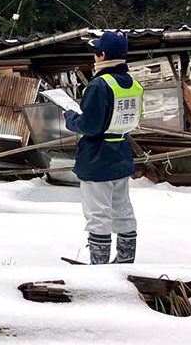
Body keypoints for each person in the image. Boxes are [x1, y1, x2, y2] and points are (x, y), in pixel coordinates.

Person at [63, 31, 143, 265]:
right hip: (121, 152)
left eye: (96, 52)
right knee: (122, 209)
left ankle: (99, 270)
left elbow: (89, 126)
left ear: (103, 54)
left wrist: (70, 118)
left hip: (97, 156)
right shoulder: (134, 85)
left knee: (97, 213)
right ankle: (125, 262)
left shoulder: (99, 85)